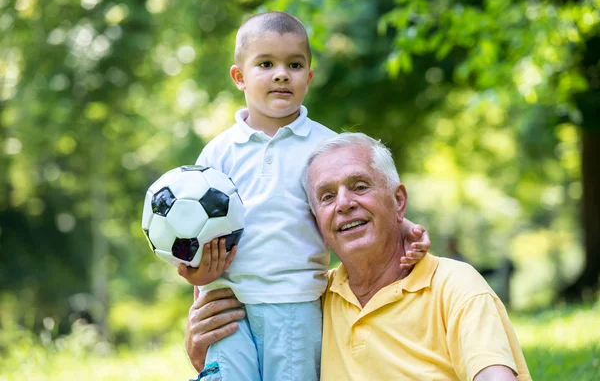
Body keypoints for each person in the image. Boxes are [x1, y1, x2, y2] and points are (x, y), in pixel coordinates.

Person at [178, 13, 431, 381]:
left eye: (294, 65)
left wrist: (405, 228)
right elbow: (186, 222)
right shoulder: (218, 153)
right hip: (225, 301)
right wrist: (192, 270)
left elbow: (360, 198)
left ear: (308, 78)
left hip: (293, 303)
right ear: (239, 77)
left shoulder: (324, 147)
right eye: (266, 64)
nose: (282, 74)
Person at [188, 133, 532, 380]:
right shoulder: (314, 300)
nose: (343, 203)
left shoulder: (453, 286)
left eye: (360, 186)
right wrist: (202, 355)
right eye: (326, 196)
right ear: (316, 224)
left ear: (398, 201)